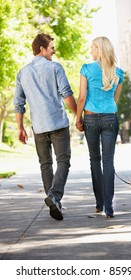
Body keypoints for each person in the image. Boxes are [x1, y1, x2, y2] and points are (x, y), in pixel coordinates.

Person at [14, 33, 77, 221]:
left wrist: (20, 128)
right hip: (57, 123)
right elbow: (66, 94)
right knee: (63, 161)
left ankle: (54, 202)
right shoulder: (55, 67)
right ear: (41, 49)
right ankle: (54, 196)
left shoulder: (22, 73)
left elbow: (19, 104)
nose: (54, 51)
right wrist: (78, 116)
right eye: (51, 47)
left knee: (45, 164)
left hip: (39, 126)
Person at [76, 36, 124, 218]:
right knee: (108, 161)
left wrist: (78, 118)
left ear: (98, 49)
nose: (90, 51)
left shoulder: (87, 69)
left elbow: (81, 97)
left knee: (95, 160)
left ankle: (99, 204)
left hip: (90, 119)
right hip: (110, 118)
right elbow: (114, 100)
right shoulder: (118, 73)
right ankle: (109, 207)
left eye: (92, 48)